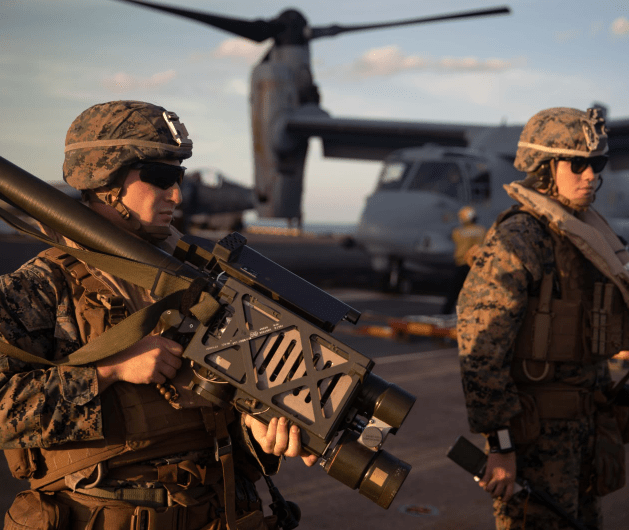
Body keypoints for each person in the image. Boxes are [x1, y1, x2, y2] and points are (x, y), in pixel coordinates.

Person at [0, 100, 316, 530]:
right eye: (161, 177)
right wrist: (109, 372)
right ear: (106, 179)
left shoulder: (196, 278)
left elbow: (224, 412)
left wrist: (258, 436)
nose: (177, 195)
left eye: (179, 177)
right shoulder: (39, 286)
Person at [457, 107, 629, 529]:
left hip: (586, 436)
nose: (590, 175)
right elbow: (480, 351)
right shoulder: (520, 238)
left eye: (598, 164)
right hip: (534, 442)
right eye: (578, 164)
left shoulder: (586, 238)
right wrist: (499, 445)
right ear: (544, 167)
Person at [441, 205, 486, 315]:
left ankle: (445, 315)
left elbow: (452, 237)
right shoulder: (482, 230)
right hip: (476, 266)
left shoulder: (458, 232)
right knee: (473, 294)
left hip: (461, 264)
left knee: (453, 294)